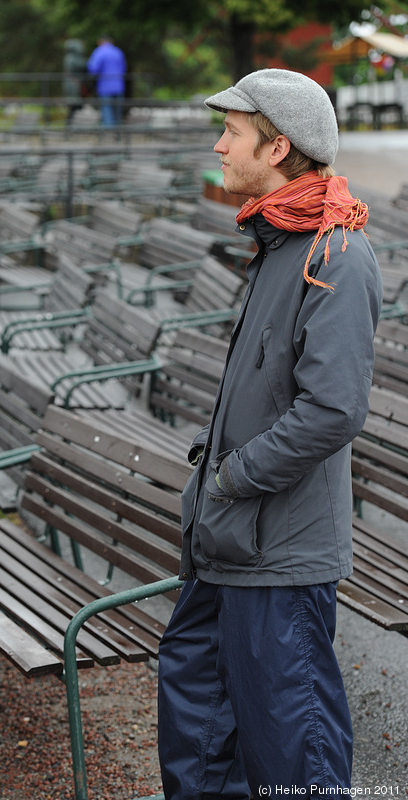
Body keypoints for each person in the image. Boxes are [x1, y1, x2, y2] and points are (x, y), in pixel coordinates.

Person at [158, 68, 383, 799]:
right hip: (223, 543)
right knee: (200, 742)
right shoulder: (279, 245)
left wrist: (228, 478)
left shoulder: (336, 258)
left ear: (278, 145)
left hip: (277, 557)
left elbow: (331, 411)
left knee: (296, 761)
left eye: (232, 132)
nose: (218, 145)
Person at [87, 34, 127, 128]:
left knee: (107, 108)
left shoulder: (99, 51)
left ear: (100, 41)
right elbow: (124, 68)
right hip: (119, 85)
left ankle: (109, 132)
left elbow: (93, 68)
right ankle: (118, 131)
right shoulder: (118, 51)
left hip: (105, 86)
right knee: (117, 109)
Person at [62, 38, 88, 127]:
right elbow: (84, 66)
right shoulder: (72, 58)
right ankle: (71, 126)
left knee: (75, 107)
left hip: (73, 85)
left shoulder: (70, 57)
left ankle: (73, 126)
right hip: (74, 86)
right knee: (74, 107)